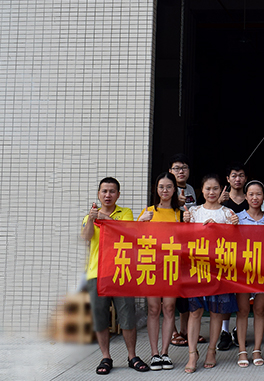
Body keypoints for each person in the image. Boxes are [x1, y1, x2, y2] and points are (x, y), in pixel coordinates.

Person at [81, 177, 149, 375]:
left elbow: (123, 231)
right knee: (100, 318)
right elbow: (86, 238)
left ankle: (132, 356)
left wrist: (101, 216)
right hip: (96, 273)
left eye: (112, 191)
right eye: (104, 191)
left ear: (118, 195)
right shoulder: (89, 217)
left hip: (122, 272)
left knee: (127, 317)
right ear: (99, 194)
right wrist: (91, 219)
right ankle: (106, 357)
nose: (108, 195)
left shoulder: (125, 213)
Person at [182, 174, 241, 373]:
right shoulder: (193, 212)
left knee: (216, 311)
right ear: (202, 190)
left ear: (221, 190)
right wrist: (188, 224)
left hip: (219, 269)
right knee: (195, 312)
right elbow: (185, 239)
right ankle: (192, 353)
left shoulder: (228, 213)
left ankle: (211, 351)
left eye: (215, 188)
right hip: (197, 268)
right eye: (208, 188)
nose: (211, 192)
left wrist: (233, 226)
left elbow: (235, 242)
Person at [137, 172, 183, 371]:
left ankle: (165, 353)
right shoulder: (148, 212)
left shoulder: (180, 214)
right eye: (161, 187)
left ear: (175, 190)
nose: (165, 190)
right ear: (156, 189)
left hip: (172, 266)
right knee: (154, 309)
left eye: (169, 187)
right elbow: (133, 239)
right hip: (151, 266)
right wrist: (140, 223)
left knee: (169, 308)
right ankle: (154, 354)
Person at [235, 180, 264, 367]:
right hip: (243, 271)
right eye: (251, 194)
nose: (254, 198)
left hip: (263, 271)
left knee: (259, 310)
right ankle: (242, 350)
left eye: (258, 194)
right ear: (245, 196)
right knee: (242, 310)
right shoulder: (237, 218)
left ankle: (257, 349)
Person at [168, 154, 200, 349]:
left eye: (184, 168)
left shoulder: (190, 189)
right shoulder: (167, 187)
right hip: (171, 245)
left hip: (188, 245)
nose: (181, 171)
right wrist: (177, 203)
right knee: (171, 290)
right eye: (177, 168)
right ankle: (172, 332)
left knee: (186, 289)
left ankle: (185, 330)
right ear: (170, 171)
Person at [216, 162, 247, 351]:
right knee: (226, 294)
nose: (237, 179)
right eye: (234, 175)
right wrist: (218, 203)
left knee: (244, 295)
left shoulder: (251, 198)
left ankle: (238, 331)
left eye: (241, 175)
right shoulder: (222, 201)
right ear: (228, 179)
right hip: (226, 253)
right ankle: (225, 331)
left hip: (246, 253)